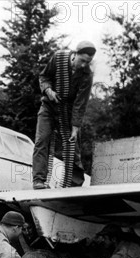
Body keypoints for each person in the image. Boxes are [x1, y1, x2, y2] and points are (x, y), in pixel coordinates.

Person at [32, 41, 96, 189]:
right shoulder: (59, 58)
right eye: (82, 61)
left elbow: (81, 103)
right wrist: (49, 91)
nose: (83, 65)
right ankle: (39, 180)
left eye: (88, 62)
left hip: (68, 111)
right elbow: (44, 77)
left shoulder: (87, 75)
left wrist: (75, 128)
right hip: (49, 107)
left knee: (72, 146)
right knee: (42, 140)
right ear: (75, 54)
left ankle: (74, 185)